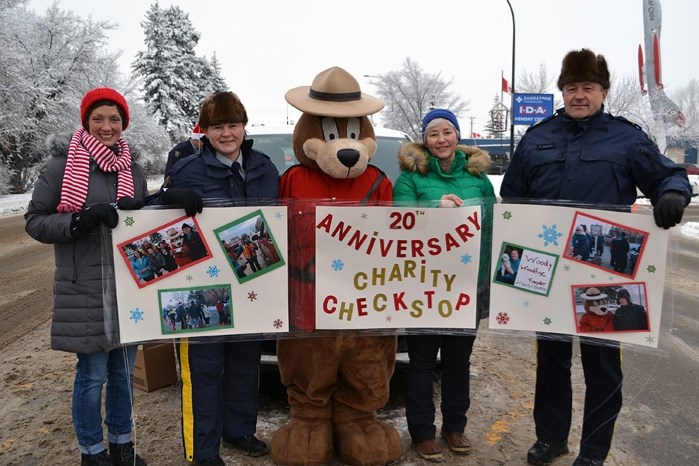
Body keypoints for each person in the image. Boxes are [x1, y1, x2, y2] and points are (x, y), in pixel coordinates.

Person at [500, 49, 691, 466]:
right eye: (571, 88)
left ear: (603, 92)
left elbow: (667, 175)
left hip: (603, 276)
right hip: (546, 271)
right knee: (550, 362)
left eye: (588, 87)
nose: (579, 95)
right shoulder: (538, 138)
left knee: (602, 367)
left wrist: (674, 193)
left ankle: (593, 451)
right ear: (562, 92)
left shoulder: (627, 138)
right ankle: (551, 438)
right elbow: (511, 195)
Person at [152, 91, 279, 465]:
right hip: (200, 289)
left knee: (244, 363)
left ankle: (239, 430)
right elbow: (155, 218)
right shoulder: (187, 170)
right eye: (218, 127)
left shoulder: (264, 167)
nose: (227, 133)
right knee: (203, 371)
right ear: (204, 131)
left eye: (233, 125)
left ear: (244, 126)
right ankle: (202, 452)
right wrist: (168, 197)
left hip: (251, 284)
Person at [24, 87, 148, 466]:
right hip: (85, 286)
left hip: (128, 284)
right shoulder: (61, 165)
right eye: (98, 119)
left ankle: (123, 447)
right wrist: (80, 219)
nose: (106, 127)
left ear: (123, 123)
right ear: (86, 122)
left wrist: (157, 204)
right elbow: (36, 221)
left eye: (114, 119)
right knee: (93, 375)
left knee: (124, 374)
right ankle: (93, 454)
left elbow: (144, 224)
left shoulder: (134, 169)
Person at [393, 108, 496, 461]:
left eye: (447, 132)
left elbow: (494, 223)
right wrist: (434, 208)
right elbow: (399, 221)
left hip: (467, 283)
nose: (441, 139)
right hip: (425, 282)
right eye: (433, 133)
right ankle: (422, 432)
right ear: (425, 139)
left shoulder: (478, 177)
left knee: (457, 361)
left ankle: (455, 426)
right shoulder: (410, 177)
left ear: (457, 136)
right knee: (421, 362)